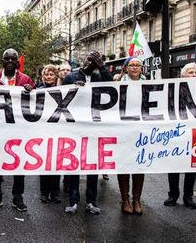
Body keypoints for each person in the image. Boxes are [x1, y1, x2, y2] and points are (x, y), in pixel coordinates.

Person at [63, 51, 112, 215]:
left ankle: (91, 201)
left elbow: (112, 87)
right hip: (75, 128)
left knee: (92, 165)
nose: (90, 62)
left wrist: (103, 67)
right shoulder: (71, 77)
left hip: (94, 128)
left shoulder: (100, 77)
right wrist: (74, 89)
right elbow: (62, 97)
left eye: (95, 60)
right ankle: (73, 200)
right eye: (88, 59)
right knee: (74, 166)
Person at [0, 48, 35, 212]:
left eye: (13, 59)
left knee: (19, 163)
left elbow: (36, 103)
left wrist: (31, 92)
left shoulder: (26, 79)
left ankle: (17, 197)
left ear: (18, 62)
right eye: (6, 58)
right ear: (2, 61)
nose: (9, 61)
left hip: (19, 129)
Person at [164, 63, 196, 209]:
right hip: (176, 132)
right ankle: (173, 195)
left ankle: (188, 196)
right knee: (174, 165)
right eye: (191, 72)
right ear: (183, 75)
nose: (194, 75)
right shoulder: (173, 89)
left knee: (191, 167)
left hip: (194, 133)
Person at [117, 56, 146, 215]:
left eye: (138, 65)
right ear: (126, 68)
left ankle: (137, 199)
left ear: (141, 68)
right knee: (124, 163)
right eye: (132, 65)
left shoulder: (149, 83)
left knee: (139, 165)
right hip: (124, 129)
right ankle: (125, 199)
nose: (135, 67)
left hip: (141, 130)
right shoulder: (118, 83)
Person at [37, 64, 61, 204]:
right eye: (46, 74)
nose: (49, 76)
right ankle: (44, 193)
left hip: (58, 130)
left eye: (51, 74)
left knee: (56, 164)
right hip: (43, 130)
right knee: (45, 163)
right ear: (42, 76)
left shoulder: (62, 90)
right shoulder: (38, 91)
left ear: (56, 76)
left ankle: (55, 193)